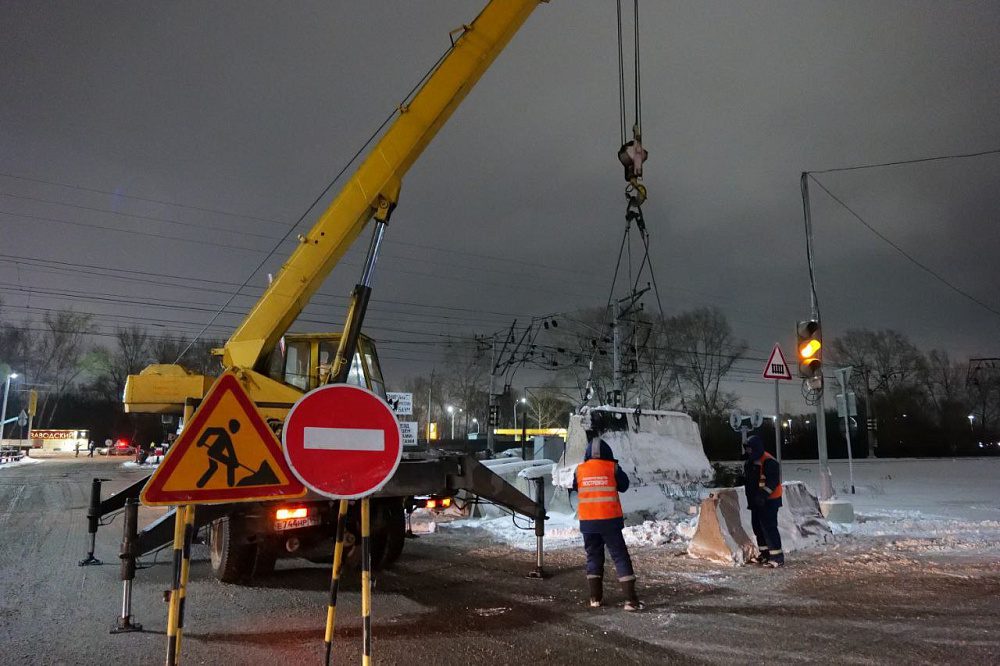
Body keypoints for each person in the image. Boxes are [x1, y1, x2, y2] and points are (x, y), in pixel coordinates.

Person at [573, 430, 643, 611]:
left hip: (588, 522)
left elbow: (575, 487)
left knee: (593, 557)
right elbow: (625, 486)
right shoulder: (612, 468)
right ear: (608, 453)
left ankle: (595, 598)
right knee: (620, 557)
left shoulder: (580, 470)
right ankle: (630, 601)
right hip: (610, 521)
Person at [743, 435, 784, 567]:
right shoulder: (751, 461)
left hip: (770, 501)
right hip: (756, 501)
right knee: (758, 527)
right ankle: (765, 554)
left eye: (750, 449)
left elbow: (772, 482)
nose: (748, 452)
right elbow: (750, 480)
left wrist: (763, 495)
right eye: (747, 449)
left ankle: (777, 557)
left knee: (769, 528)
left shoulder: (769, 461)